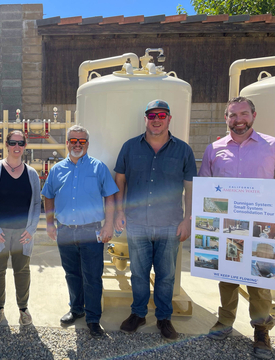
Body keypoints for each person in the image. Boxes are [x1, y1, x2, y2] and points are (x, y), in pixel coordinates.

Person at [114, 99, 196, 341]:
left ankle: (163, 318)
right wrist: (119, 211)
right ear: (146, 119)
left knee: (166, 275)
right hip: (137, 222)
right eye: (152, 116)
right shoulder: (130, 147)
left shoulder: (183, 150)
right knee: (138, 273)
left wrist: (188, 219)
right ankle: (138, 314)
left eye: (161, 115)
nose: (156, 119)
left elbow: (190, 187)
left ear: (169, 118)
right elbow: (120, 180)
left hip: (170, 224)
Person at [199, 96, 275, 359]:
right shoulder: (214, 148)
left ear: (253, 115)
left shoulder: (272, 146)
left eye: (243, 114)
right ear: (226, 118)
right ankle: (225, 321)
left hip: (262, 226)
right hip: (229, 226)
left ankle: (261, 332)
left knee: (259, 281)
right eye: (233, 115)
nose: (238, 120)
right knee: (228, 277)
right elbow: (205, 188)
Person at [41, 124, 118, 339]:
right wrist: (49, 223)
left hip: (91, 231)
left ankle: (93, 319)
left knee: (92, 276)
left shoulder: (98, 168)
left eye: (81, 141)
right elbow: (48, 195)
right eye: (73, 140)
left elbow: (110, 196)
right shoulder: (57, 169)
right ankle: (76, 309)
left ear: (87, 144)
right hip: (65, 231)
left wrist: (108, 224)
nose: (77, 144)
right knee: (72, 274)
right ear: (67, 143)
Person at [0, 130, 41, 326]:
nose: (16, 147)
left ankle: (23, 308)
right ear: (6, 144)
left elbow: (37, 204)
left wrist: (31, 229)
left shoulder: (31, 174)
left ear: (25, 145)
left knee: (22, 270)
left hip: (23, 233)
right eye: (13, 143)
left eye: (20, 143)